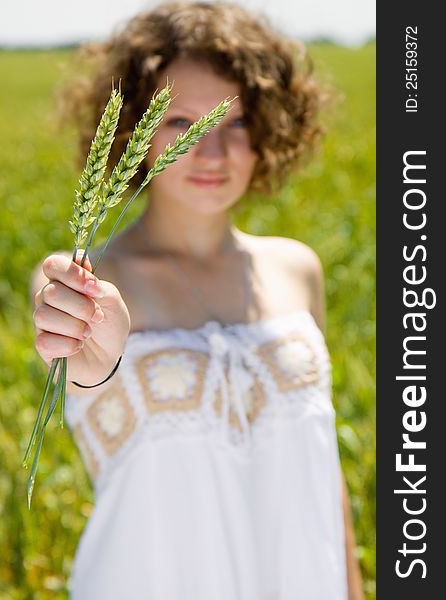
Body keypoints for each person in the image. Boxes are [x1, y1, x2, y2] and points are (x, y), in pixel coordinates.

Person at [31, 1, 364, 598]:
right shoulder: (87, 282)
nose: (211, 151)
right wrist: (90, 352)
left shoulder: (296, 268)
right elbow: (82, 370)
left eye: (233, 123)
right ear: (136, 131)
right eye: (182, 123)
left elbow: (322, 467)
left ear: (266, 131)